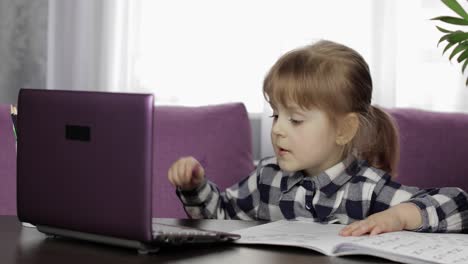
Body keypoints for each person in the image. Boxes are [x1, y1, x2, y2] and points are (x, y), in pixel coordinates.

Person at [167, 40, 468, 236]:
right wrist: (195, 187)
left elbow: (459, 205)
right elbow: (221, 214)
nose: (278, 129)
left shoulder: (367, 188)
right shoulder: (267, 178)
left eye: (295, 119)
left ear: (344, 130)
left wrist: (400, 217)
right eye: (275, 115)